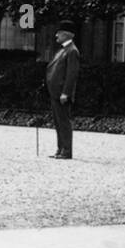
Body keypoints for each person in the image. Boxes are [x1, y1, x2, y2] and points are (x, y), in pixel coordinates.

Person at [46, 19, 80, 159]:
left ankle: (66, 150)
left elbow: (72, 74)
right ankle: (60, 149)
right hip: (55, 92)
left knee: (64, 122)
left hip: (61, 93)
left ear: (66, 34)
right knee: (58, 122)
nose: (56, 36)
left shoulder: (72, 51)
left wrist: (66, 92)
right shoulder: (63, 50)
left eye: (59, 33)